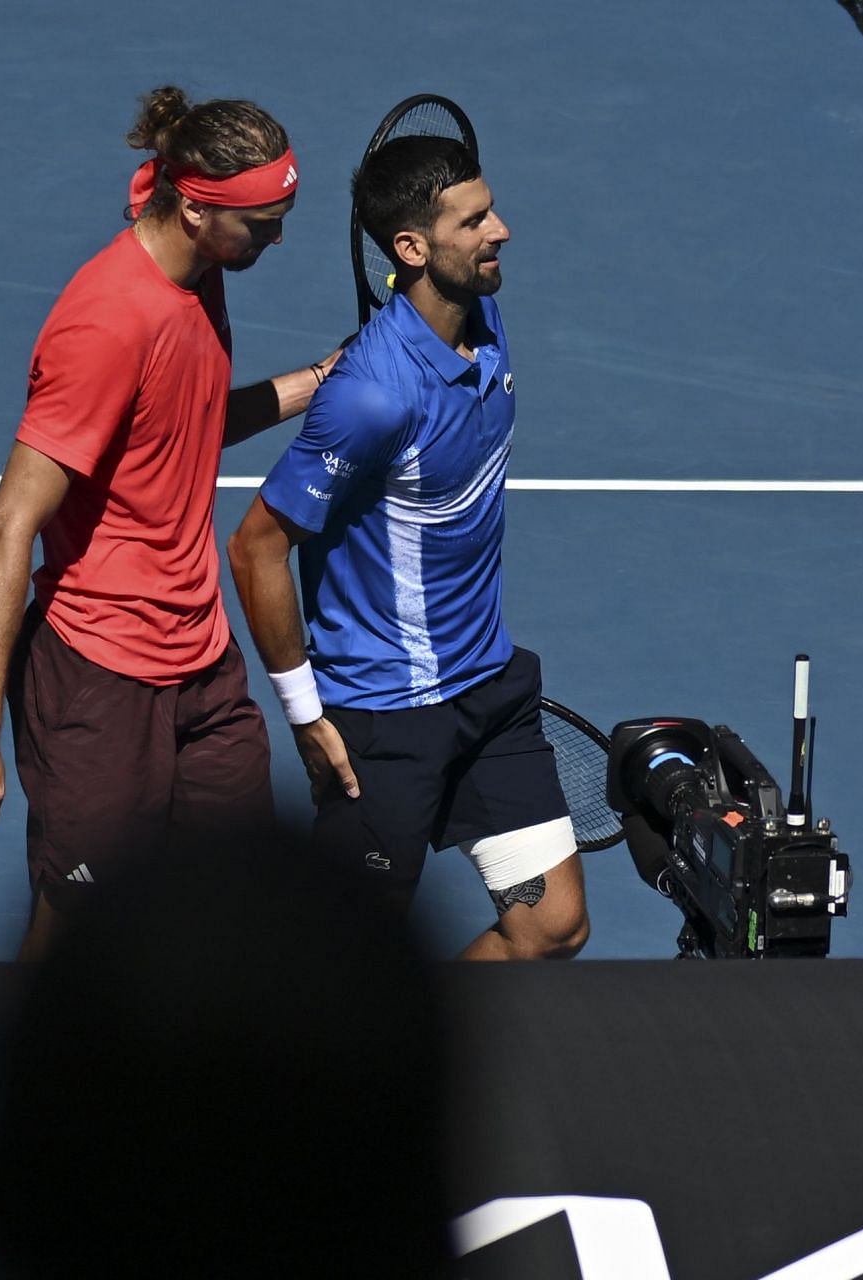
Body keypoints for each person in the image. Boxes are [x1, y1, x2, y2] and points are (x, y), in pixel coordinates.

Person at [0, 86, 342, 959]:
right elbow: (9, 526)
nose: (277, 238)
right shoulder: (106, 322)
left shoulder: (196, 262)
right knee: (79, 924)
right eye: (264, 223)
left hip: (201, 662)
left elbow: (183, 416)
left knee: (241, 899)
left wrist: (318, 379)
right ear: (195, 210)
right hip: (98, 672)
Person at [226, 134, 589, 961]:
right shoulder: (374, 397)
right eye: (474, 221)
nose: (501, 230)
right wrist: (306, 716)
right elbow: (255, 549)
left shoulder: (484, 317)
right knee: (343, 969)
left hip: (488, 689)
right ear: (412, 248)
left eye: (489, 209)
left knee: (552, 927)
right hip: (385, 718)